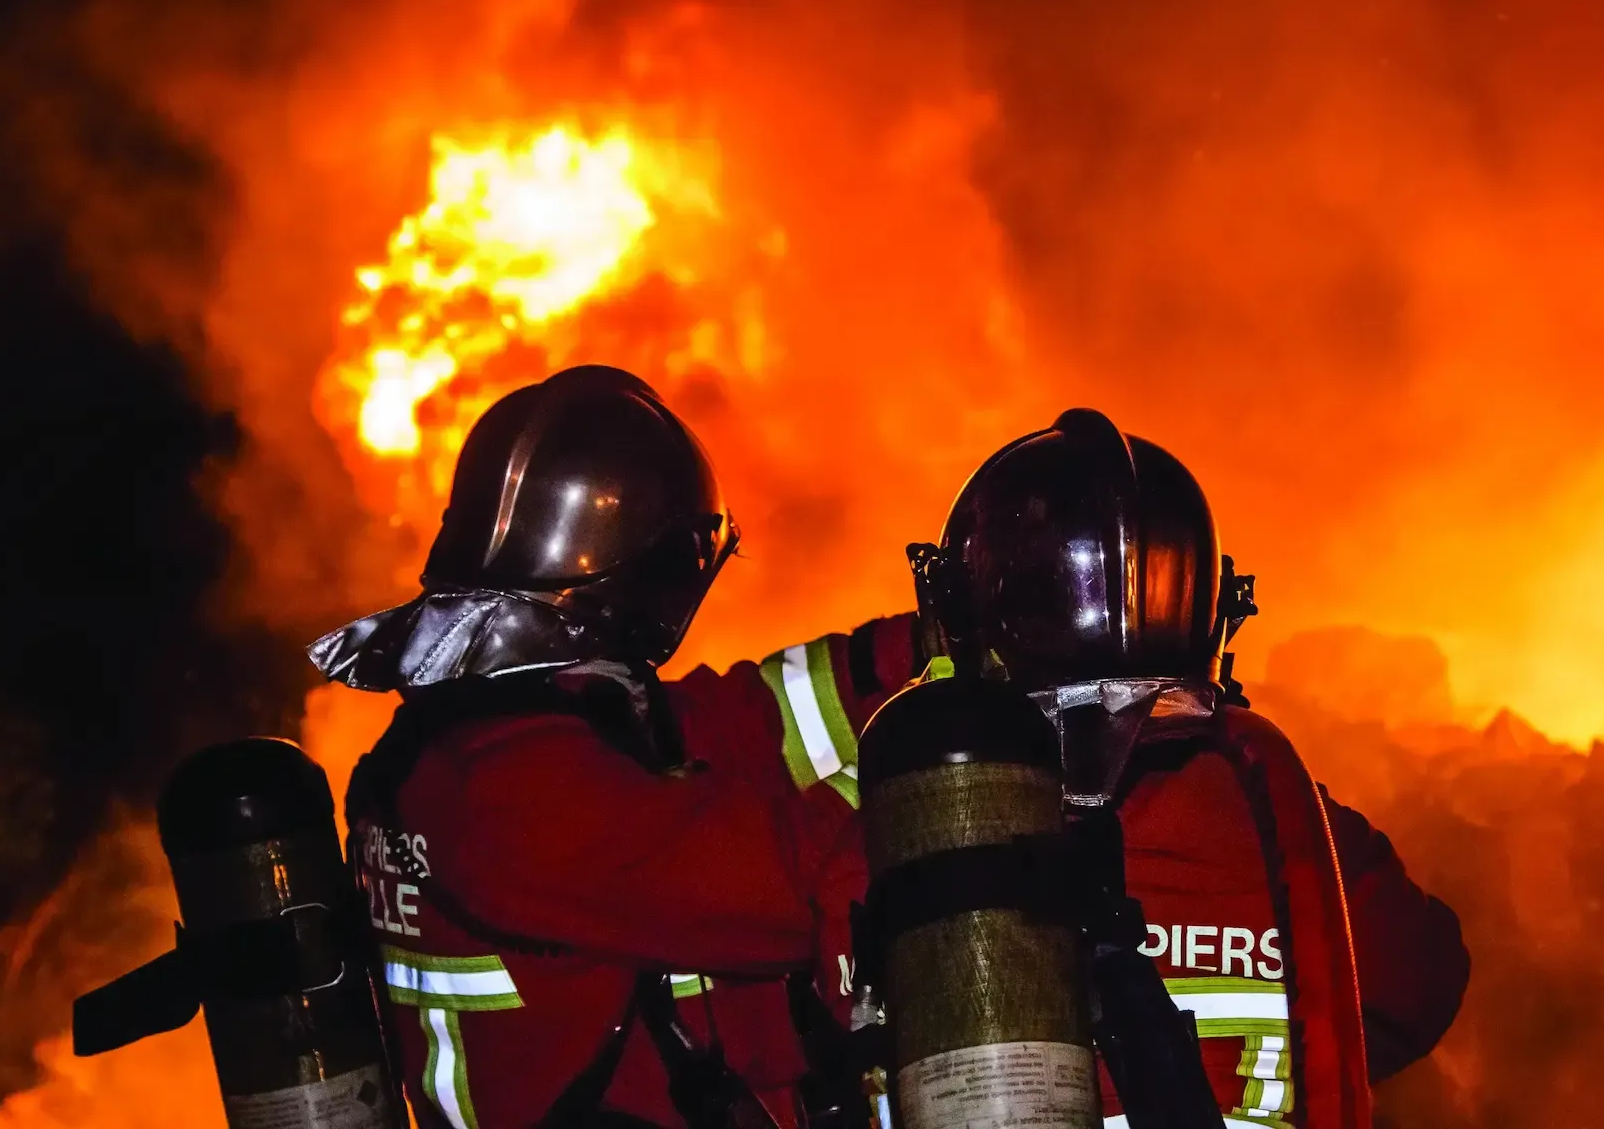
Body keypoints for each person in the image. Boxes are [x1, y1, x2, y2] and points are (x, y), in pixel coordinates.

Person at [811, 408, 1467, 1127]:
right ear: (1209, 608)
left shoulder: (880, 835)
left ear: (958, 614)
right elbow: (1424, 985)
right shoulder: (1274, 808)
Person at [316, 365, 924, 1128]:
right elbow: (791, 889)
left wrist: (936, 643)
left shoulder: (494, 736)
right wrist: (947, 753)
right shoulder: (518, 797)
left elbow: (751, 719)